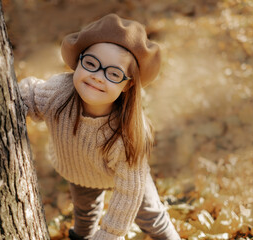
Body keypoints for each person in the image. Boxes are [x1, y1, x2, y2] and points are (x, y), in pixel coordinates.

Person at [19, 13, 180, 240]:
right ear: (79, 61)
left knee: (151, 216)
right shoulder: (58, 93)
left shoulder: (128, 135)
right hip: (80, 170)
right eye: (91, 64)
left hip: (128, 178)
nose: (97, 77)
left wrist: (108, 235)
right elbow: (30, 96)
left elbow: (127, 197)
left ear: (127, 85)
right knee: (84, 213)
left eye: (113, 73)